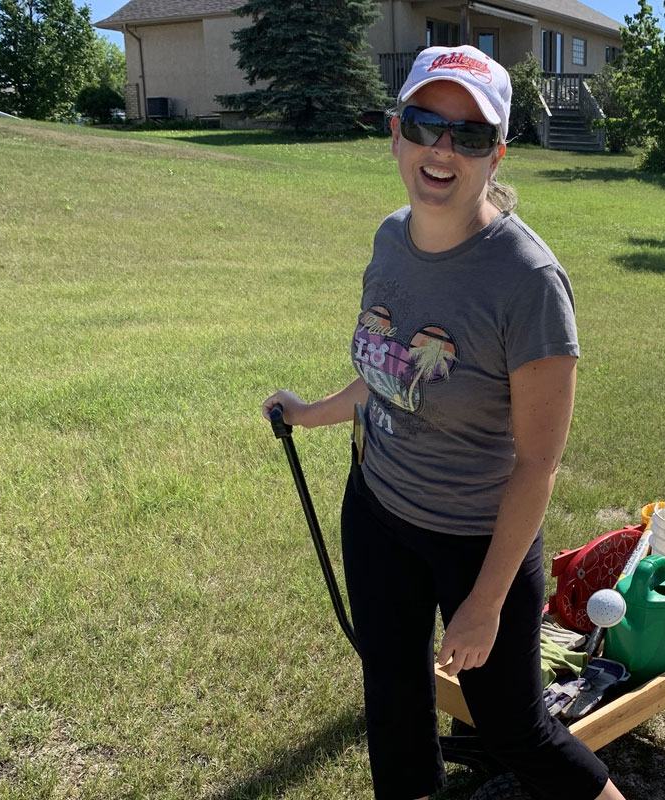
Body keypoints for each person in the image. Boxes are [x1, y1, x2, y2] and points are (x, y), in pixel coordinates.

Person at [263, 45, 626, 800]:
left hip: (476, 543)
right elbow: (386, 376)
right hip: (378, 513)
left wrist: (485, 604)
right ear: (396, 132)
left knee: (512, 730)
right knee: (393, 705)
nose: (441, 150)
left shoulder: (528, 282)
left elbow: (536, 464)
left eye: (466, 136)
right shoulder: (389, 238)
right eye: (426, 123)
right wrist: (309, 413)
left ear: (495, 155)